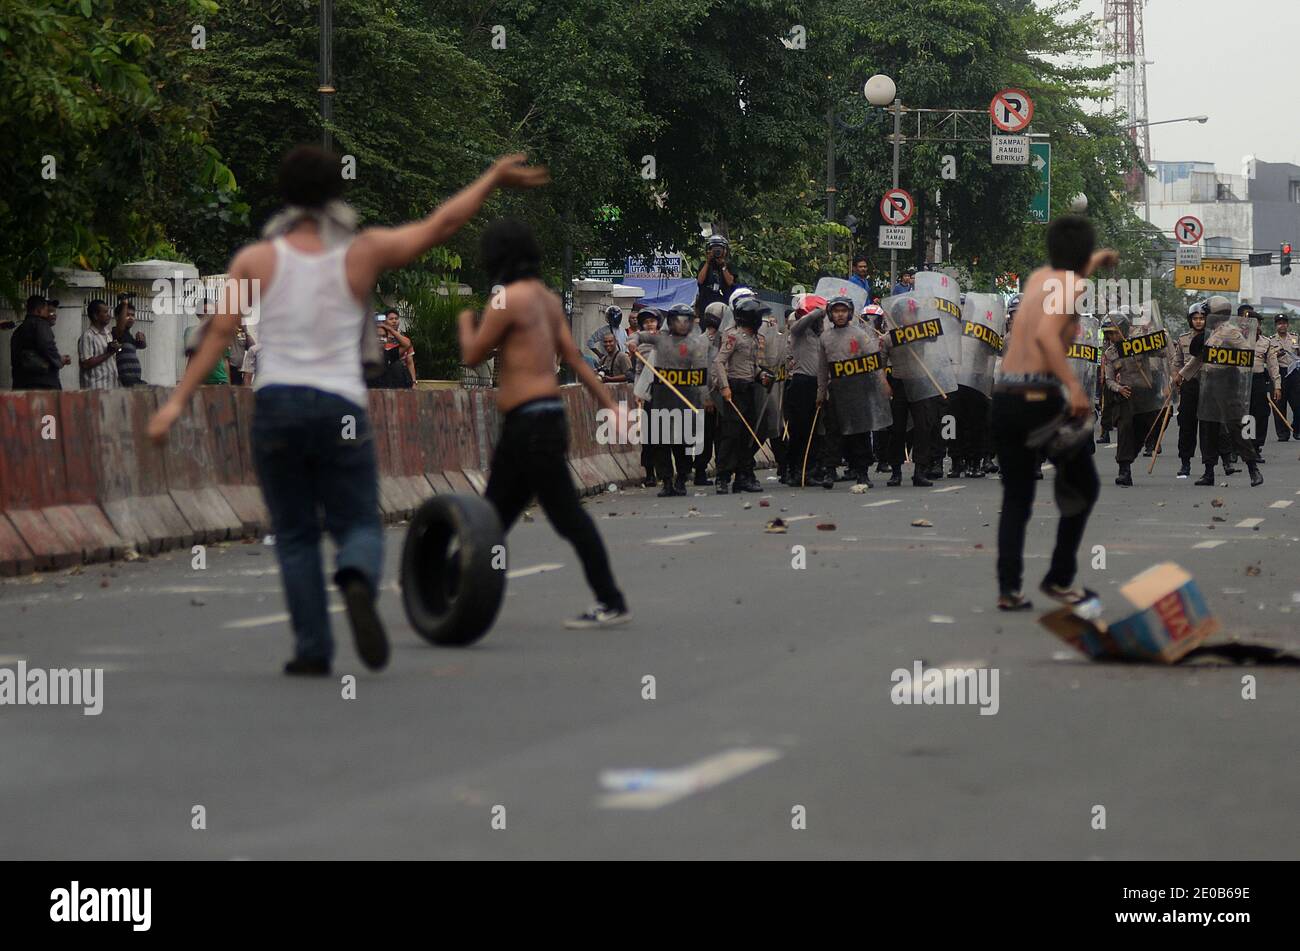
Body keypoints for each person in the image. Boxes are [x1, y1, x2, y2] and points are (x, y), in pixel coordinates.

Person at [148, 146, 549, 675]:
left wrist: (175, 403)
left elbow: (220, 333)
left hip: (276, 404)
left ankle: (313, 650)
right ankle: (357, 573)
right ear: (338, 191)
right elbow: (439, 226)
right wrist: (491, 178)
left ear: (283, 193)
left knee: (294, 533)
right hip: (340, 404)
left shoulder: (257, 260)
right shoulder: (361, 252)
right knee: (358, 518)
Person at [458, 217, 630, 628]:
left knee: (562, 514)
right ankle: (445, 585)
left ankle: (611, 599)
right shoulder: (548, 299)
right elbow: (575, 360)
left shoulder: (505, 300)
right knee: (495, 516)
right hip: (549, 418)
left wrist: (465, 323)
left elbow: (473, 355)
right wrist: (610, 405)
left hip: (526, 423)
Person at [992, 215, 1113, 611]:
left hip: (1006, 397)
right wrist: (1075, 388)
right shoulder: (1074, 286)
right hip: (1039, 400)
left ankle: (1009, 590)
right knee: (1086, 486)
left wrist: (1096, 260)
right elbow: (1046, 336)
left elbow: (1065, 277)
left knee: (1017, 496)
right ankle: (1059, 578)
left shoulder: (1037, 278)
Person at [1174, 296, 1263, 487]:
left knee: (1236, 427)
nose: (1203, 317)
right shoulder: (1209, 333)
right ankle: (1208, 472)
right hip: (1209, 384)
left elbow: (1246, 353)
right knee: (1208, 428)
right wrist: (1182, 374)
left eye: (1206, 313)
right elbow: (1198, 359)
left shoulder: (1231, 332)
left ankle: (1253, 469)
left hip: (1227, 384)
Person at [626, 303, 709, 497]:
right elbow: (639, 336)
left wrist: (703, 399)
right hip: (660, 400)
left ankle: (681, 478)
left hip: (685, 401)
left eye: (685, 321)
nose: (681, 325)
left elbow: (700, 375)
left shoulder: (695, 345)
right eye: (677, 320)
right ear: (670, 322)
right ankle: (666, 481)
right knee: (660, 443)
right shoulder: (661, 340)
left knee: (683, 444)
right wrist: (632, 341)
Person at [816, 296, 892, 487]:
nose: (840, 315)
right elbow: (823, 369)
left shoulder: (860, 335)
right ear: (830, 315)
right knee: (833, 431)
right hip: (836, 390)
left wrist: (882, 384)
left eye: (843, 311)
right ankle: (830, 471)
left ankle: (862, 472)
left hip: (859, 389)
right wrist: (821, 394)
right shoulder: (825, 337)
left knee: (860, 432)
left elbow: (874, 362)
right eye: (836, 311)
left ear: (849, 313)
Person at [712, 297, 766, 493]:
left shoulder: (753, 339)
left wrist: (762, 375)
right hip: (735, 390)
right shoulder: (733, 336)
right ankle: (722, 476)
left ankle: (743, 475)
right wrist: (724, 387)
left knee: (748, 435)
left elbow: (753, 366)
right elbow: (719, 362)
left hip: (750, 388)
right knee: (731, 434)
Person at [784, 295, 828, 487]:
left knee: (815, 431)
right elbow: (799, 324)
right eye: (818, 319)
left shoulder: (822, 337)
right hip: (801, 383)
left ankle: (809, 469)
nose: (820, 322)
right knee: (799, 430)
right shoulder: (799, 332)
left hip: (817, 384)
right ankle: (793, 470)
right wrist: (818, 310)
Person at [1241, 304, 1280, 462]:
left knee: (1261, 414)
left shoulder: (1266, 342)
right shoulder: (1237, 340)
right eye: (1251, 322)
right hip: (1240, 381)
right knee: (1245, 415)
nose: (1254, 326)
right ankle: (1246, 447)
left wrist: (1277, 386)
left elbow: (1273, 365)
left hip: (1258, 381)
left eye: (1257, 322)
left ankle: (1256, 447)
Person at [1172, 302, 1207, 477]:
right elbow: (1176, 362)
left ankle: (1218, 462)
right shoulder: (1183, 339)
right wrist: (1175, 378)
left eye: (1202, 318)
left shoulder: (1214, 338)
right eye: (1195, 318)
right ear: (1190, 320)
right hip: (1189, 386)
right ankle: (1185, 463)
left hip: (1210, 386)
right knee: (1187, 426)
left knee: (1212, 427)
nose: (1199, 321)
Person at [11, 295, 69, 390]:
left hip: (21, 384)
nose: (51, 314)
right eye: (48, 311)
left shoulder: (18, 331)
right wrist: (59, 360)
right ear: (39, 310)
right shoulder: (40, 324)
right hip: (43, 384)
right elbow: (47, 347)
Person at [77, 299, 120, 390]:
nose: (109, 315)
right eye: (105, 312)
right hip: (95, 388)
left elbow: (114, 355)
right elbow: (86, 364)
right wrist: (108, 353)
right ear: (95, 316)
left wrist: (116, 348)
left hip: (111, 386)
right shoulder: (88, 336)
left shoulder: (108, 334)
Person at [1272, 314, 1298, 440]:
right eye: (1279, 323)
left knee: (1297, 403)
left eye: (1284, 323)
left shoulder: (1295, 338)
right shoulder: (1270, 340)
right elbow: (1268, 359)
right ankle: (1283, 433)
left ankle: (1297, 429)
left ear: (1288, 324)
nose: (1282, 325)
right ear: (1275, 325)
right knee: (1279, 404)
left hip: (1294, 373)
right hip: (1279, 372)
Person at [111, 297, 148, 387]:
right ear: (117, 317)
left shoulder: (129, 335)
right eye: (127, 315)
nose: (131, 318)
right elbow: (120, 328)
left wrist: (143, 340)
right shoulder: (116, 332)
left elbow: (142, 346)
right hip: (125, 380)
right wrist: (124, 304)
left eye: (132, 315)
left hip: (134, 379)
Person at [695, 235, 736, 316]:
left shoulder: (728, 266)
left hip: (724, 305)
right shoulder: (704, 265)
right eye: (714, 249)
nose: (717, 251)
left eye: (719, 249)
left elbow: (730, 282)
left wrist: (723, 265)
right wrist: (708, 262)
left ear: (725, 250)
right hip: (705, 306)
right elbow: (700, 280)